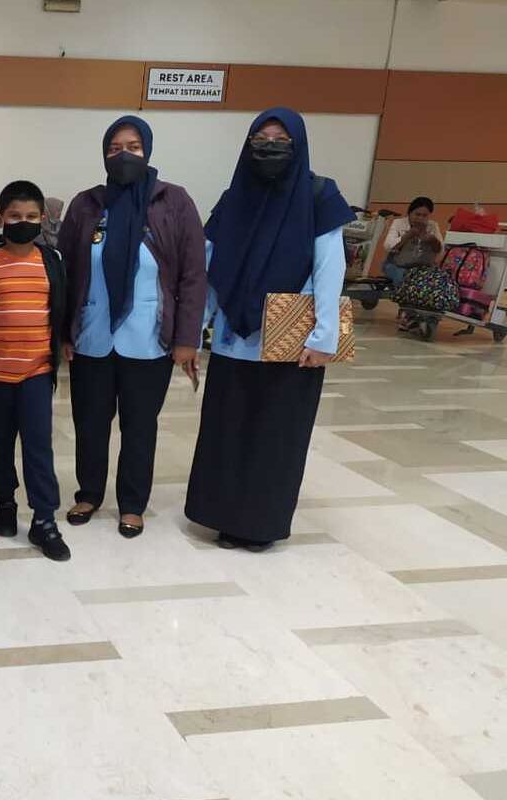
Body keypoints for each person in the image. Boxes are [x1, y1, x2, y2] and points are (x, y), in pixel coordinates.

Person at [186, 107, 354, 552]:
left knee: (275, 437)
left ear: (297, 146)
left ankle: (259, 525)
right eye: (260, 139)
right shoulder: (233, 198)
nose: (269, 146)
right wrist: (196, 325)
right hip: (232, 338)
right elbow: (210, 265)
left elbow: (329, 270)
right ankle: (222, 517)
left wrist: (324, 339)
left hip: (290, 342)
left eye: (280, 139)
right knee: (227, 430)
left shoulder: (318, 197)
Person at [60, 116, 208, 538]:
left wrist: (186, 339)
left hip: (150, 339)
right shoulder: (87, 204)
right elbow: (66, 269)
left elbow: (193, 275)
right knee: (89, 422)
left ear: (148, 151)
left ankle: (132, 503)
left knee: (140, 426)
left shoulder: (172, 201)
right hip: (93, 336)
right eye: (114, 148)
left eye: (133, 146)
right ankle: (88, 493)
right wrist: (64, 332)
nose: (123, 155)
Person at [0, 180, 70, 562]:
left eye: (30, 216)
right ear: (0, 219)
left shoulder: (51, 262)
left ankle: (44, 519)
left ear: (42, 219)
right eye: (14, 216)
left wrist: (63, 344)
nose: (22, 222)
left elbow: (59, 307)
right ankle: (5, 502)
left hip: (36, 374)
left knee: (38, 447)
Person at [382, 195, 443, 287]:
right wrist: (408, 235)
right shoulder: (399, 223)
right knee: (405, 281)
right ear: (410, 213)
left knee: (436, 282)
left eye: (425, 216)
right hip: (397, 265)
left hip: (423, 267)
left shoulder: (432, 226)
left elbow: (440, 250)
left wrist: (432, 240)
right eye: (417, 214)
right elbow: (388, 246)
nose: (420, 218)